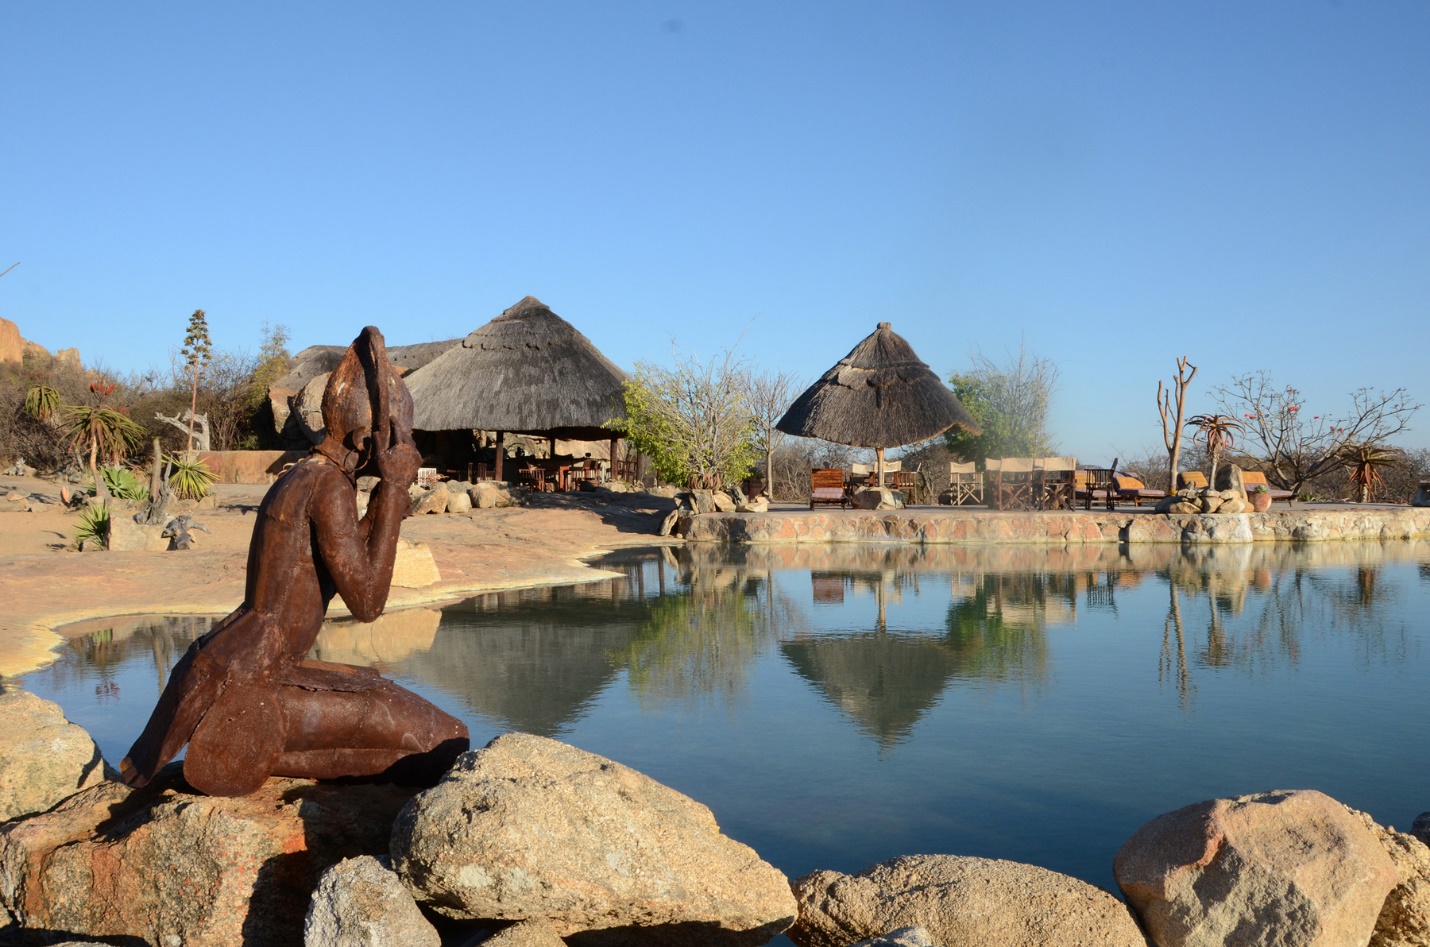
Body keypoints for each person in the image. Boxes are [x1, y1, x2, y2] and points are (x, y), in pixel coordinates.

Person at [120, 327, 468, 796]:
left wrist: (384, 510)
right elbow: (366, 601)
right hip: (261, 673)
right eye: (398, 440)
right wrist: (395, 488)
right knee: (446, 739)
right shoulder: (331, 488)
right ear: (368, 441)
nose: (405, 451)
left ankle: (251, 739)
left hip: (239, 659)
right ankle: (250, 733)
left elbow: (335, 555)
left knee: (394, 718)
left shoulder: (302, 476)